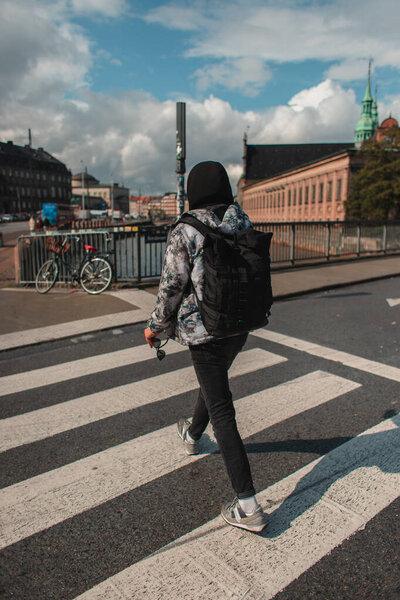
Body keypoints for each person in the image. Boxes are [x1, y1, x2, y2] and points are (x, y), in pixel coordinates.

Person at [144, 161, 268, 533]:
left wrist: (154, 328)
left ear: (193, 191)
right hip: (240, 324)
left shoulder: (186, 229)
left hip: (204, 331)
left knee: (222, 408)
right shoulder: (241, 220)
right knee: (213, 387)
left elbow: (171, 287)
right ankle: (193, 434)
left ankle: (248, 506)